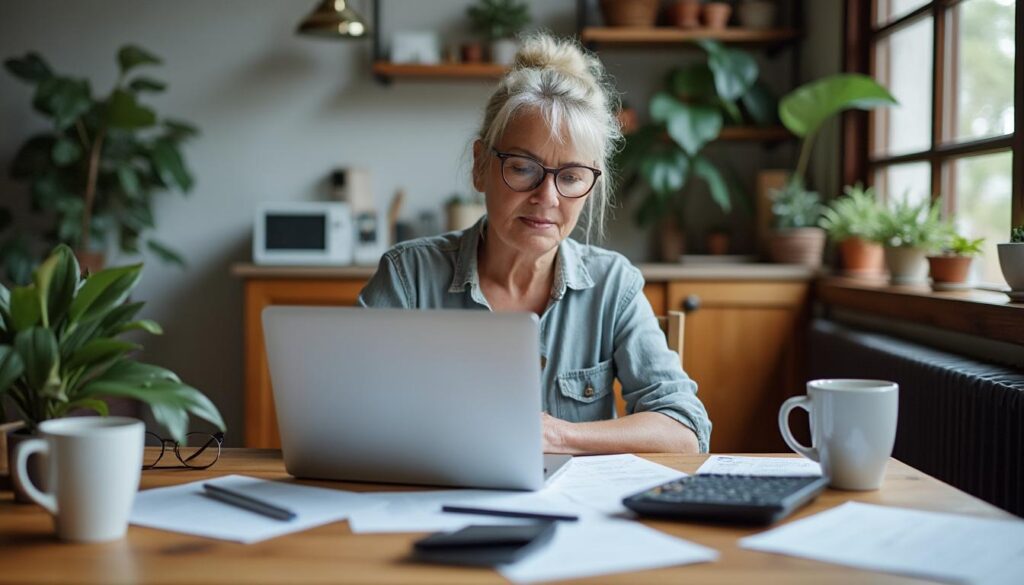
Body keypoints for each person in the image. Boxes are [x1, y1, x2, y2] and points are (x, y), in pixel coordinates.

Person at [359, 34, 711, 455]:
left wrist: (558, 436)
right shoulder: (408, 277)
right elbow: (346, 414)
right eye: (523, 168)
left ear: (590, 184)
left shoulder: (612, 284)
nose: (547, 197)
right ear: (480, 166)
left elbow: (684, 428)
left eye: (571, 176)